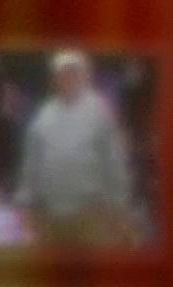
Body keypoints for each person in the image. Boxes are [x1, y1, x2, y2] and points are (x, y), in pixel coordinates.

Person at [15, 50, 134, 245]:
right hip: (49, 216)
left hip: (92, 215)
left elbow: (114, 161)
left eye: (73, 72)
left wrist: (119, 205)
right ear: (55, 78)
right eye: (62, 73)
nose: (67, 78)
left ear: (83, 76)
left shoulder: (100, 112)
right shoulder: (43, 116)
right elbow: (31, 163)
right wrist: (24, 203)